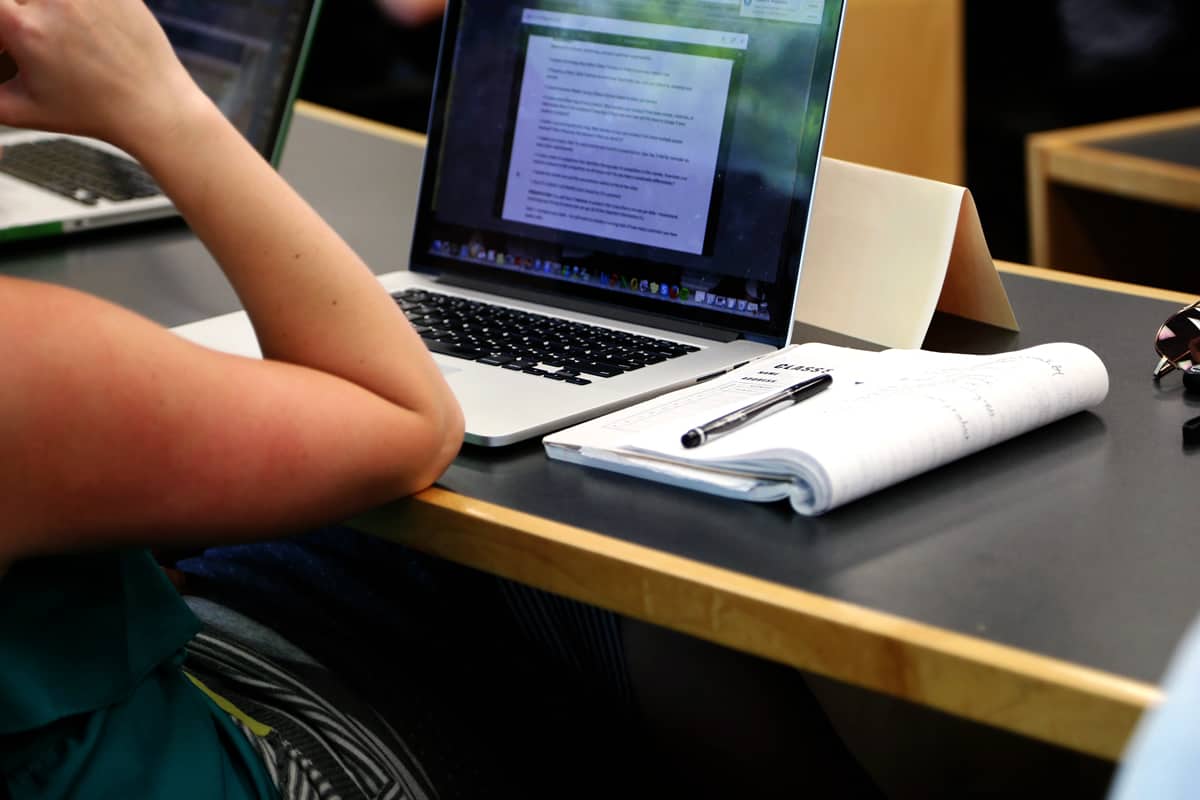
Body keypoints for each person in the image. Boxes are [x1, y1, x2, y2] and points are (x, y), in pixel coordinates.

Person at [0, 0, 465, 796]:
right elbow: (409, 418)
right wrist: (159, 99)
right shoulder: (32, 365)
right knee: (495, 608)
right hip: (179, 767)